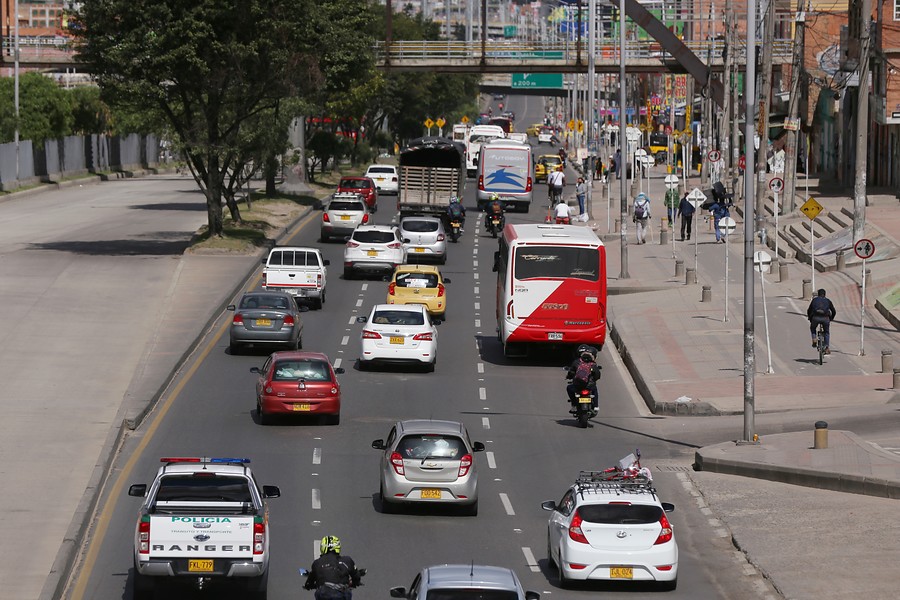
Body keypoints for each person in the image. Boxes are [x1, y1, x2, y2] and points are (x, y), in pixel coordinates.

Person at [566, 344, 602, 415]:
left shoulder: (576, 362)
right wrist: (593, 380)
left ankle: (574, 405)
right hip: (589, 386)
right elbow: (597, 375)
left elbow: (571, 372)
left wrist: (569, 376)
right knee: (595, 390)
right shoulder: (593, 364)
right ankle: (596, 406)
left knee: (569, 388)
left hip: (578, 385)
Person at [807, 288, 836, 354]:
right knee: (826, 332)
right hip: (825, 318)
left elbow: (809, 310)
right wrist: (831, 318)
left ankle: (814, 338)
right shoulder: (828, 301)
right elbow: (833, 311)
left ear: (818, 294)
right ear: (824, 295)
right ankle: (826, 348)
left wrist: (809, 317)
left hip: (815, 318)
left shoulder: (814, 300)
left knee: (813, 328)